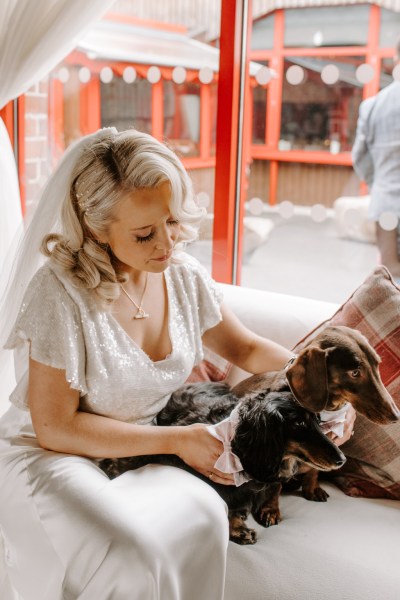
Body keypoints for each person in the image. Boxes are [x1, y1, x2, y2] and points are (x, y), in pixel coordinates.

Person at [0, 127, 356, 600]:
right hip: (56, 456)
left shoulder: (182, 275)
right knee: (127, 550)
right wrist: (178, 439)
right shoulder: (60, 292)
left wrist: (322, 392)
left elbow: (246, 349)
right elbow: (55, 427)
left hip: (147, 451)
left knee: (205, 518)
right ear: (95, 228)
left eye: (172, 222)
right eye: (144, 233)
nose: (166, 244)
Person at [352, 41, 400, 280]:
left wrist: (378, 184)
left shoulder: (372, 105)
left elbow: (360, 157)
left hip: (385, 205)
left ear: (395, 60)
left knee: (391, 277)